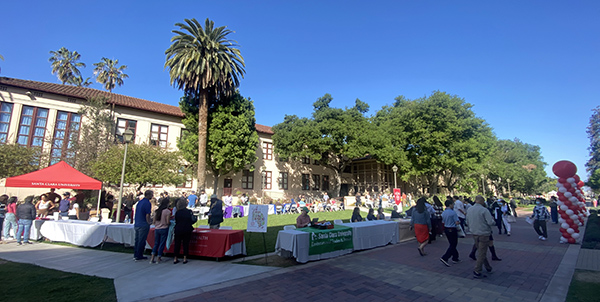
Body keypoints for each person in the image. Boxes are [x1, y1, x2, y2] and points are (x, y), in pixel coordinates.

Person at [466, 195, 495, 278]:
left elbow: (467, 221)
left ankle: (488, 267)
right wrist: (493, 221)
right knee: (482, 252)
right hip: (484, 233)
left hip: (474, 233)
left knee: (481, 250)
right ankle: (477, 270)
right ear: (482, 201)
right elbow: (490, 222)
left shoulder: (470, 209)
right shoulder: (484, 210)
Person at [173, 198, 196, 264]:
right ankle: (185, 258)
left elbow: (176, 221)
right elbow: (191, 220)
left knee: (177, 244)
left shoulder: (177, 212)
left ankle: (175, 258)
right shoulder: (189, 212)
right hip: (186, 229)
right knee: (186, 244)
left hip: (178, 229)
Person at [440, 199, 461, 266]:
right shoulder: (453, 213)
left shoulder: (444, 212)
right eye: (452, 204)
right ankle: (445, 257)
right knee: (453, 244)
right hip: (452, 228)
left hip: (446, 228)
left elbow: (443, 221)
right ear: (450, 205)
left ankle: (455, 257)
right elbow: (457, 222)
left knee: (451, 243)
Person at [150, 198, 171, 264]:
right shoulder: (167, 211)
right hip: (164, 228)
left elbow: (153, 221)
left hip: (157, 228)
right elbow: (167, 222)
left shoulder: (157, 211)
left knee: (156, 243)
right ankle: (159, 257)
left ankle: (152, 257)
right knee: (162, 243)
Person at [134, 190, 153, 261]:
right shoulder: (147, 203)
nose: (152, 196)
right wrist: (149, 222)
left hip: (137, 223)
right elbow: (147, 214)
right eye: (151, 195)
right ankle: (139, 255)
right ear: (148, 195)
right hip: (143, 223)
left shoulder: (140, 202)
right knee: (141, 240)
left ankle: (136, 254)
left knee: (137, 239)